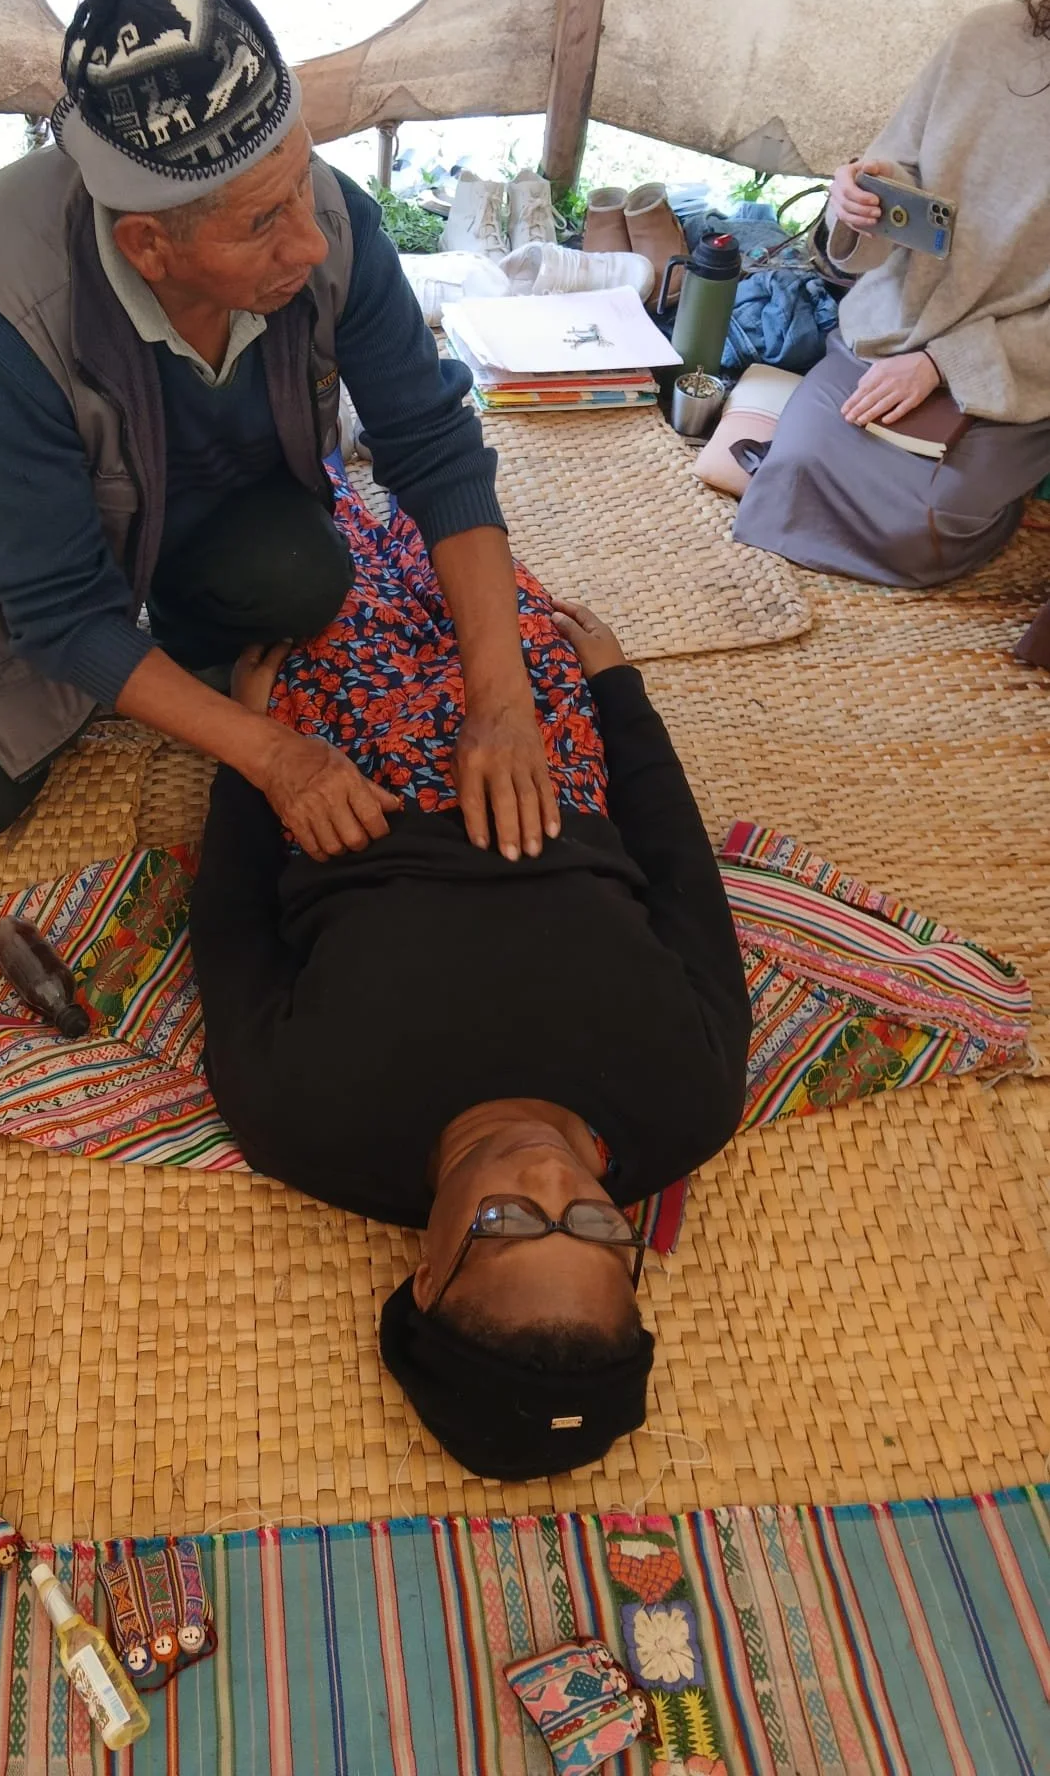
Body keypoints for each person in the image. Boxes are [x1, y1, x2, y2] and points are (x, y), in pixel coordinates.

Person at [0, 0, 555, 854]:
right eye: (262, 223)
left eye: (302, 179)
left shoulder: (329, 222)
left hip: (195, 489)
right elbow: (61, 610)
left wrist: (503, 704)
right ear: (148, 245)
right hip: (25, 527)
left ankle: (165, 609)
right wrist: (275, 756)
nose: (309, 240)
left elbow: (436, 450)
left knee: (301, 580)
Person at [187, 488, 751, 1482]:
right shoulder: (690, 1097)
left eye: (508, 1224)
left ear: (429, 1275)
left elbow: (231, 921)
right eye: (598, 1226)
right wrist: (620, 693)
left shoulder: (302, 1118)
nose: (553, 1183)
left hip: (352, 771)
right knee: (452, 530)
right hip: (547, 760)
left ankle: (318, 441)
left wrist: (251, 745)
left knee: (304, 549)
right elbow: (681, 874)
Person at [734, 0, 1050, 585]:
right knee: (793, 470)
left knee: (926, 525)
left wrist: (943, 365)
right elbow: (902, 171)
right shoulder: (988, 35)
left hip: (1012, 370)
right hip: (897, 324)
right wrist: (866, 196)